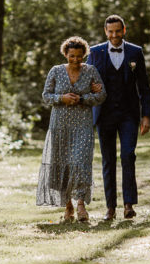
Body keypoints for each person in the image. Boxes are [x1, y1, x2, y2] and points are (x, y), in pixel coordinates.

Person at [88, 15, 150, 220]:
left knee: (127, 156)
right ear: (105, 32)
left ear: (124, 30)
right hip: (104, 114)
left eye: (118, 31)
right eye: (110, 32)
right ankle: (110, 208)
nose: (114, 35)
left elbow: (144, 87)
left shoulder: (135, 52)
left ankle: (128, 205)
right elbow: (85, 81)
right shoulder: (95, 52)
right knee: (108, 161)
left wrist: (146, 115)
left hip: (128, 115)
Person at [37, 36, 106, 222]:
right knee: (62, 163)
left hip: (82, 123)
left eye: (79, 56)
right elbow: (46, 95)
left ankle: (81, 204)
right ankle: (68, 206)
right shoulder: (56, 71)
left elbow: (101, 95)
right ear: (65, 54)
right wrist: (62, 98)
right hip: (60, 124)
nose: (75, 60)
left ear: (84, 55)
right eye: (72, 56)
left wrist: (83, 99)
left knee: (81, 162)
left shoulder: (91, 71)